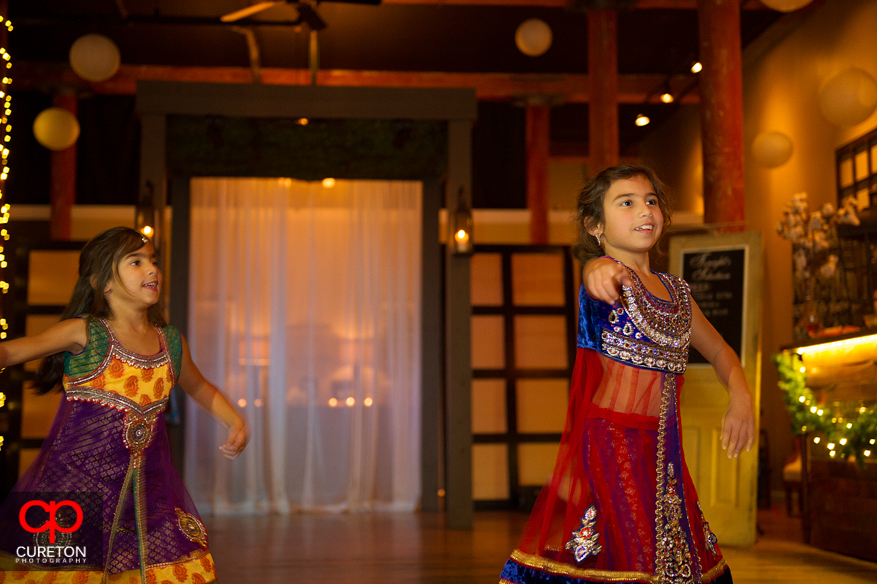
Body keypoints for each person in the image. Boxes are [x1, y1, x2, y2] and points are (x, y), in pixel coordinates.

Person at [499, 165, 754, 584]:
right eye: (627, 202)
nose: (644, 210)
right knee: (641, 558)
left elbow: (721, 352)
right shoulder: (606, 278)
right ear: (595, 226)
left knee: (679, 557)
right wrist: (599, 269)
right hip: (612, 440)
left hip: (665, 445)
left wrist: (741, 398)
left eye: (651, 201)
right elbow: (597, 274)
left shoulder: (678, 294)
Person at [0, 227, 247, 583]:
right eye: (136, 261)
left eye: (153, 261)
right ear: (103, 282)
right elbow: (13, 351)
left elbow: (200, 387)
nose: (152, 269)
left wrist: (234, 421)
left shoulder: (170, 342)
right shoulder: (84, 332)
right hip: (77, 496)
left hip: (149, 496)